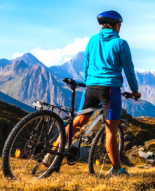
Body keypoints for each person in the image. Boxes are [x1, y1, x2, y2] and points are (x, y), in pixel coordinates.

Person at [43, 10, 141, 176]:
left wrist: (88, 82)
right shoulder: (121, 43)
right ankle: (117, 169)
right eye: (120, 25)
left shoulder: (92, 40)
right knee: (111, 130)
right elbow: (129, 70)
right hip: (110, 90)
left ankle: (52, 153)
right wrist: (135, 91)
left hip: (90, 88)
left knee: (78, 121)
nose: (120, 28)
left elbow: (86, 66)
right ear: (116, 25)